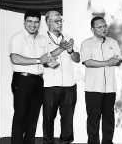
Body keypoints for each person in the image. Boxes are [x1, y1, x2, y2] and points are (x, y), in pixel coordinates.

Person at [9, 9, 50, 144]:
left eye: (36, 22)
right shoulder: (17, 37)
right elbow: (15, 58)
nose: (33, 25)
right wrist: (39, 60)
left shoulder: (42, 39)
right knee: (20, 117)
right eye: (30, 21)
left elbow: (45, 61)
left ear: (40, 23)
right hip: (22, 80)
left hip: (38, 81)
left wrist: (51, 62)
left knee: (33, 119)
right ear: (24, 22)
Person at [80, 16, 122, 144]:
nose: (103, 29)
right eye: (99, 27)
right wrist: (108, 62)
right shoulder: (87, 43)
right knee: (93, 119)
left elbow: (119, 59)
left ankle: (108, 142)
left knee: (109, 119)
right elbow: (87, 62)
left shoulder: (112, 42)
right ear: (92, 29)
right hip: (93, 88)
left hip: (110, 88)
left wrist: (115, 61)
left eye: (104, 26)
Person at [42, 11, 80, 144]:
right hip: (50, 85)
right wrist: (61, 48)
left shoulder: (68, 37)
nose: (59, 23)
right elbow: (44, 60)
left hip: (69, 85)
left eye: (60, 21)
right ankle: (48, 142)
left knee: (68, 117)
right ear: (48, 22)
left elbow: (77, 59)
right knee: (48, 117)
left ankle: (66, 141)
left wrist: (70, 51)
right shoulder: (42, 39)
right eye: (56, 21)